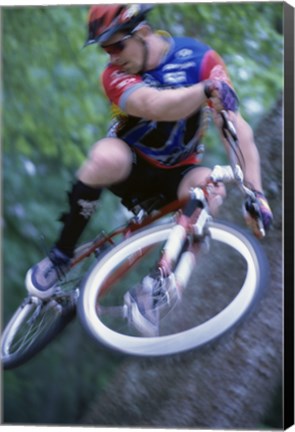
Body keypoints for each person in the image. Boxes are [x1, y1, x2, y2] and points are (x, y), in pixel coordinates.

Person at [26, 4, 273, 332]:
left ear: (142, 33)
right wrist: (203, 91)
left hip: (178, 171)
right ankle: (60, 255)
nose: (111, 57)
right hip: (130, 165)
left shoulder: (200, 59)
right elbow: (154, 106)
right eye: (105, 49)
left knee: (212, 188)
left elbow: (234, 128)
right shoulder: (114, 74)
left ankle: (155, 289)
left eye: (115, 46)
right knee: (104, 156)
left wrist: (255, 192)